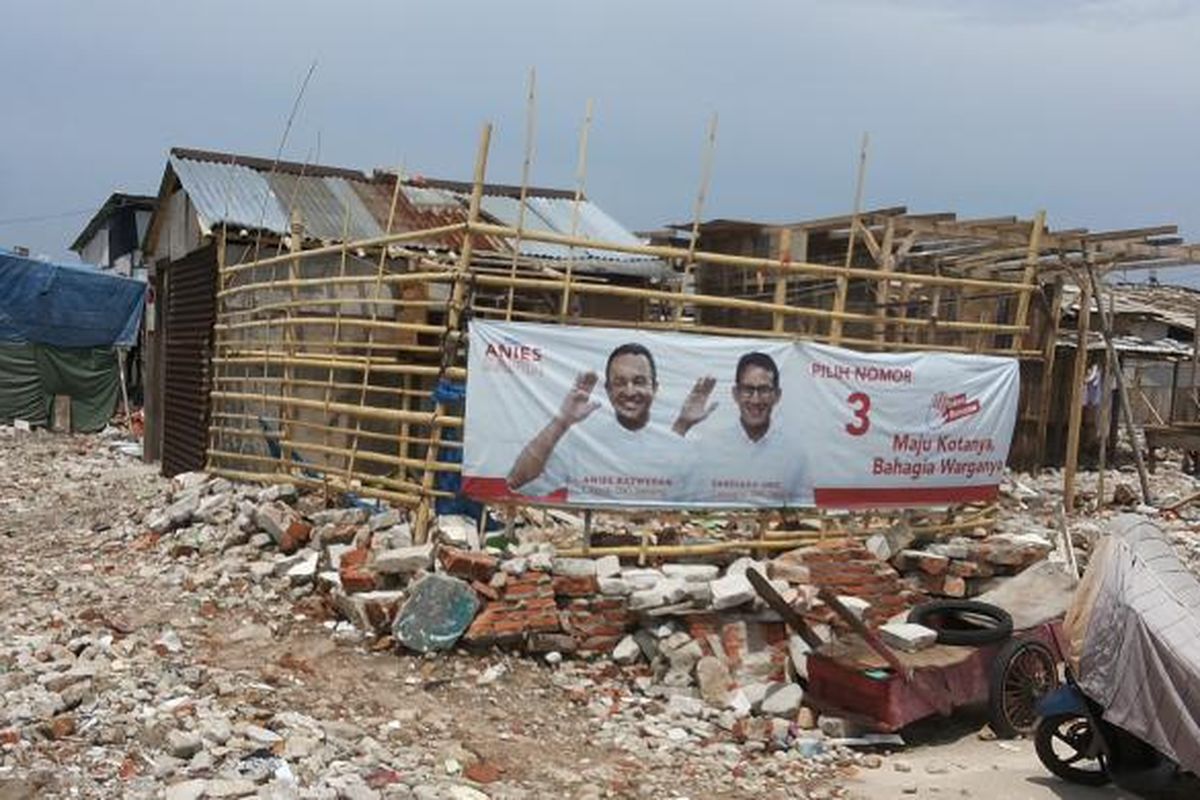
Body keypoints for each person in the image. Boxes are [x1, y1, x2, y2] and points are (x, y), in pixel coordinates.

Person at [506, 343, 697, 503]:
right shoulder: (583, 441)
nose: (629, 392)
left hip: (660, 545)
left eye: (639, 381)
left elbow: (696, 506)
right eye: (620, 382)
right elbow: (518, 482)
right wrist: (561, 421)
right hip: (590, 542)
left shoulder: (676, 446)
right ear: (608, 390)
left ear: (654, 388)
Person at [675, 351, 807, 505]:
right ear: (735, 394)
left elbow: (804, 508)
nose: (755, 400)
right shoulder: (707, 448)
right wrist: (681, 425)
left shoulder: (795, 455)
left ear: (777, 395)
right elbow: (671, 486)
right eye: (748, 390)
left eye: (764, 390)